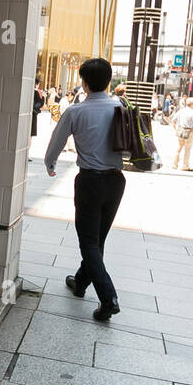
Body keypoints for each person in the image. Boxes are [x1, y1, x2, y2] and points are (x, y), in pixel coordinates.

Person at [45, 58, 126, 321]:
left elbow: (56, 142)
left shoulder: (76, 112)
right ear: (109, 81)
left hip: (89, 181)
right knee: (98, 238)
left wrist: (50, 163)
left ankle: (108, 297)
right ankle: (80, 281)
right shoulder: (120, 107)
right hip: (116, 181)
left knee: (89, 241)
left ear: (84, 82)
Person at [170, 96, 193, 171]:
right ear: (192, 104)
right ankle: (185, 166)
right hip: (188, 131)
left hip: (180, 130)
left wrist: (176, 129)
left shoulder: (181, 111)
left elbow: (173, 120)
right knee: (187, 149)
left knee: (179, 148)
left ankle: (174, 164)